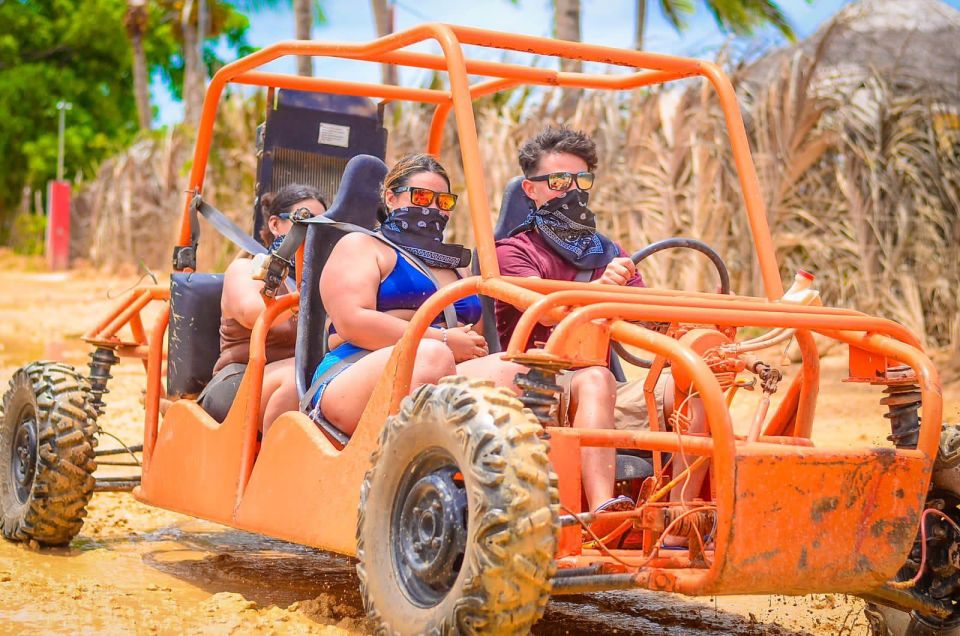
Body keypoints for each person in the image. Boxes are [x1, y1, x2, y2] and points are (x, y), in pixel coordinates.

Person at [310, 153, 631, 517]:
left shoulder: (458, 268)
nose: (433, 209)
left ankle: (585, 508)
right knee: (432, 356)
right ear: (392, 198)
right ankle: (403, 499)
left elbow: (474, 340)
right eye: (420, 198)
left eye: (443, 202)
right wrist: (441, 339)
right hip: (354, 373)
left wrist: (460, 346)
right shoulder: (362, 247)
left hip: (439, 375)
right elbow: (352, 320)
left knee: (539, 371)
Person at [494, 126, 707, 543]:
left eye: (581, 181)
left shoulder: (609, 252)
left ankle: (679, 517)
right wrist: (603, 291)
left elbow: (644, 318)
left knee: (693, 382)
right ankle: (600, 514)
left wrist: (686, 325)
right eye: (557, 182)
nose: (571, 191)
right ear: (530, 189)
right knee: (596, 378)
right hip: (535, 387)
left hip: (602, 387)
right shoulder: (513, 251)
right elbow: (553, 314)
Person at [200, 184, 327, 434]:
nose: (312, 232)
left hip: (302, 371)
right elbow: (253, 314)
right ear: (274, 225)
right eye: (303, 222)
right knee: (298, 383)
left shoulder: (325, 276)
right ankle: (275, 468)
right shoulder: (246, 269)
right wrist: (305, 300)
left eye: (321, 225)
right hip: (241, 375)